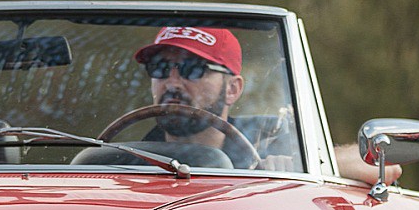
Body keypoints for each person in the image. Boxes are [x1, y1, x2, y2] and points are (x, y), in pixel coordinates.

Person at [132, 26, 398, 185]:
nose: (172, 82)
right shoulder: (128, 157)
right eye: (160, 68)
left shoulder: (269, 139)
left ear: (232, 89)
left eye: (192, 69)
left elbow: (387, 166)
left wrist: (301, 165)